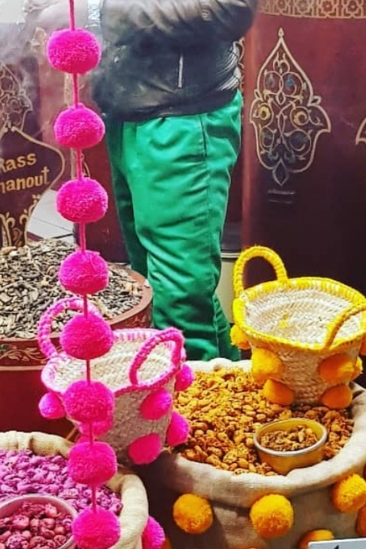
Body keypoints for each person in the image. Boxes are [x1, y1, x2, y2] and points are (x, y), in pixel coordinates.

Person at [86, 0, 256, 361]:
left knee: (179, 299)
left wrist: (97, 11)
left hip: (181, 119)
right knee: (159, 281)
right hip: (130, 110)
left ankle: (186, 395)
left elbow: (228, 8)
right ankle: (228, 381)